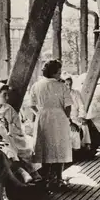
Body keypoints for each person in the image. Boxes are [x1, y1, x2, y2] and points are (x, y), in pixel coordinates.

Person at [29, 60, 74, 191]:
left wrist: (40, 113)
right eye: (59, 72)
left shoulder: (36, 85)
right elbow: (68, 106)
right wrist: (66, 118)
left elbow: (31, 104)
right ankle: (59, 179)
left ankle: (47, 178)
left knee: (45, 147)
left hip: (43, 118)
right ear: (54, 73)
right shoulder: (62, 86)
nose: (60, 75)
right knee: (59, 147)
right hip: (59, 118)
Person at [64, 77, 91, 152]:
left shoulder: (76, 93)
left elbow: (81, 106)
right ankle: (76, 148)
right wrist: (70, 122)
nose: (69, 87)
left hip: (76, 117)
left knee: (84, 125)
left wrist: (81, 116)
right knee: (74, 130)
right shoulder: (61, 95)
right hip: (67, 119)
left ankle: (86, 145)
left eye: (70, 84)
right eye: (66, 84)